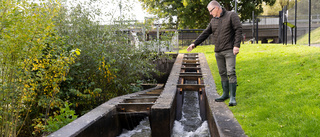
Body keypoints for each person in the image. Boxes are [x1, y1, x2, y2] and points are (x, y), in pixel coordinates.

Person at [187, 0, 242, 106]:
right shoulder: (213, 21)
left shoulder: (231, 15)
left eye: (210, 11)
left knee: (231, 72)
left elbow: (238, 30)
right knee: (222, 73)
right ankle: (225, 94)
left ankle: (232, 97)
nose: (210, 13)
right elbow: (205, 33)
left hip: (229, 50)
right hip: (218, 51)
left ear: (216, 8)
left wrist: (236, 46)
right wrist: (194, 44)